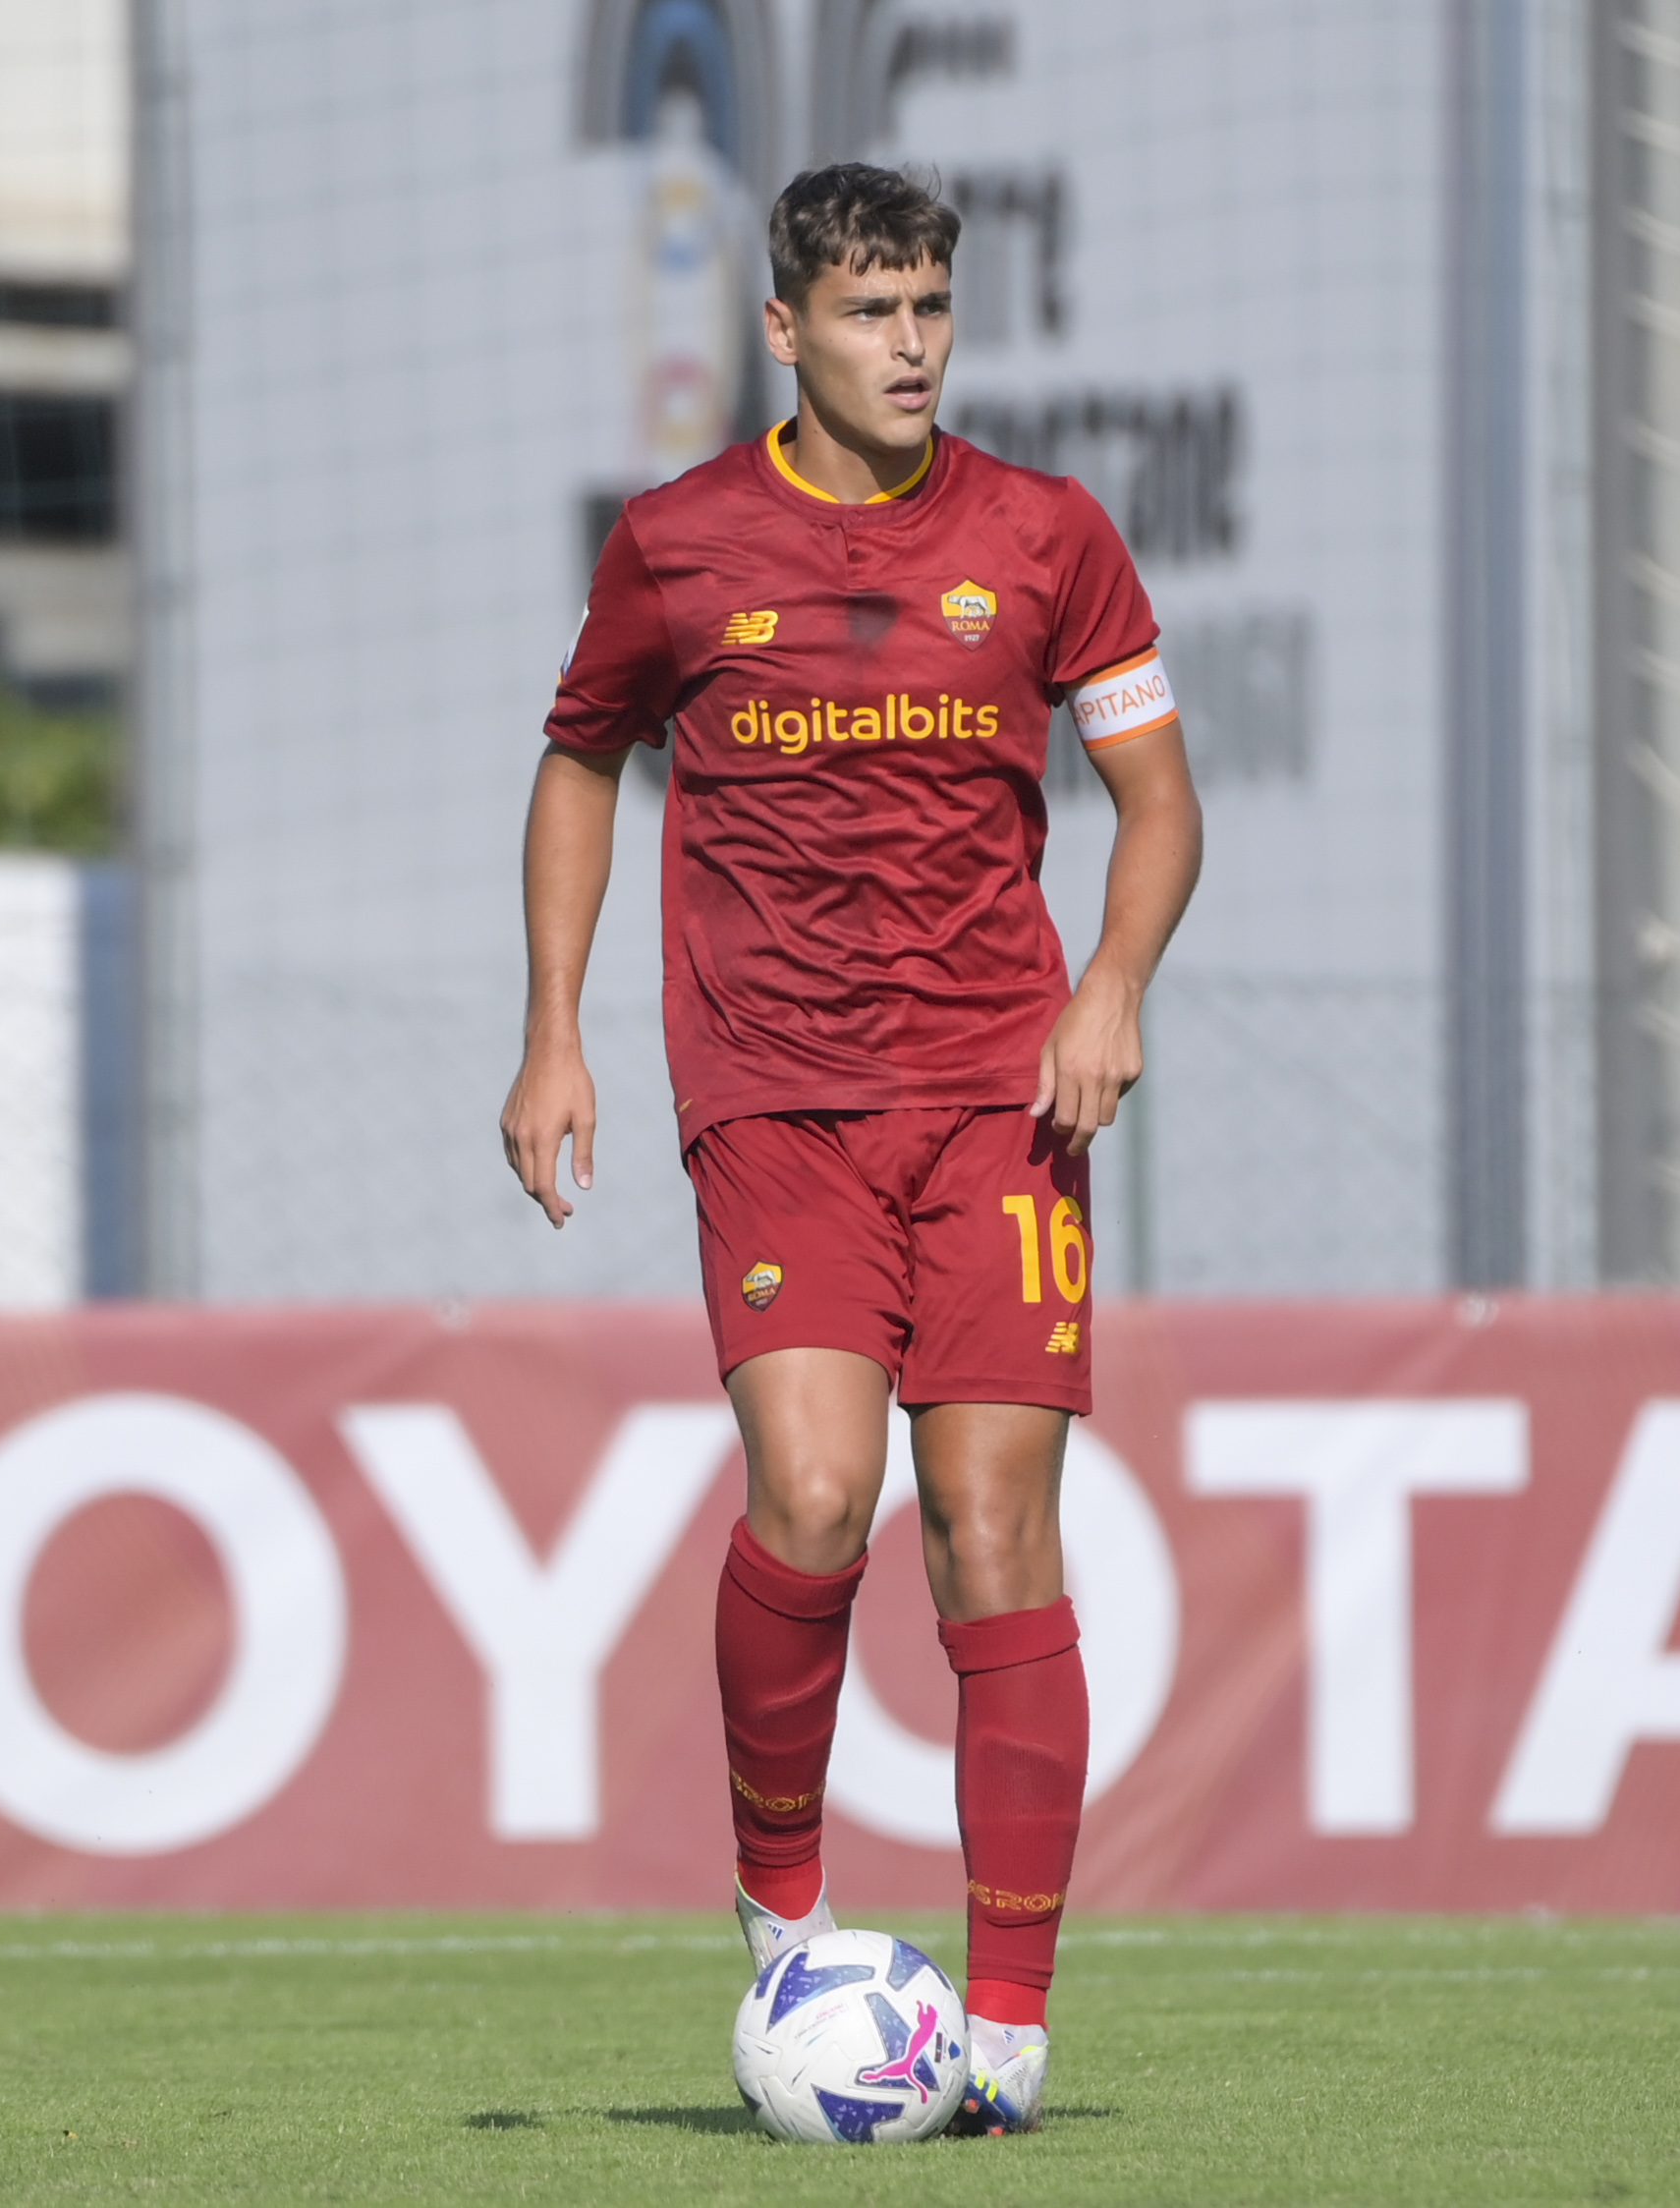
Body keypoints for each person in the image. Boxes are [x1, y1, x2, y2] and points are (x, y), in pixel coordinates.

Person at [501, 161, 1203, 2137]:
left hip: (1002, 1093)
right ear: (786, 331)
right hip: (778, 1091)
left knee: (993, 1525)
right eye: (873, 312)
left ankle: (1009, 2015)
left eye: (930, 310)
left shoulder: (1048, 538)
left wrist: (1112, 984)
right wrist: (556, 1031)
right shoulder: (678, 544)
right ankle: (783, 1898)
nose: (911, 345)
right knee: (813, 1493)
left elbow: (1159, 801)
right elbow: (579, 762)